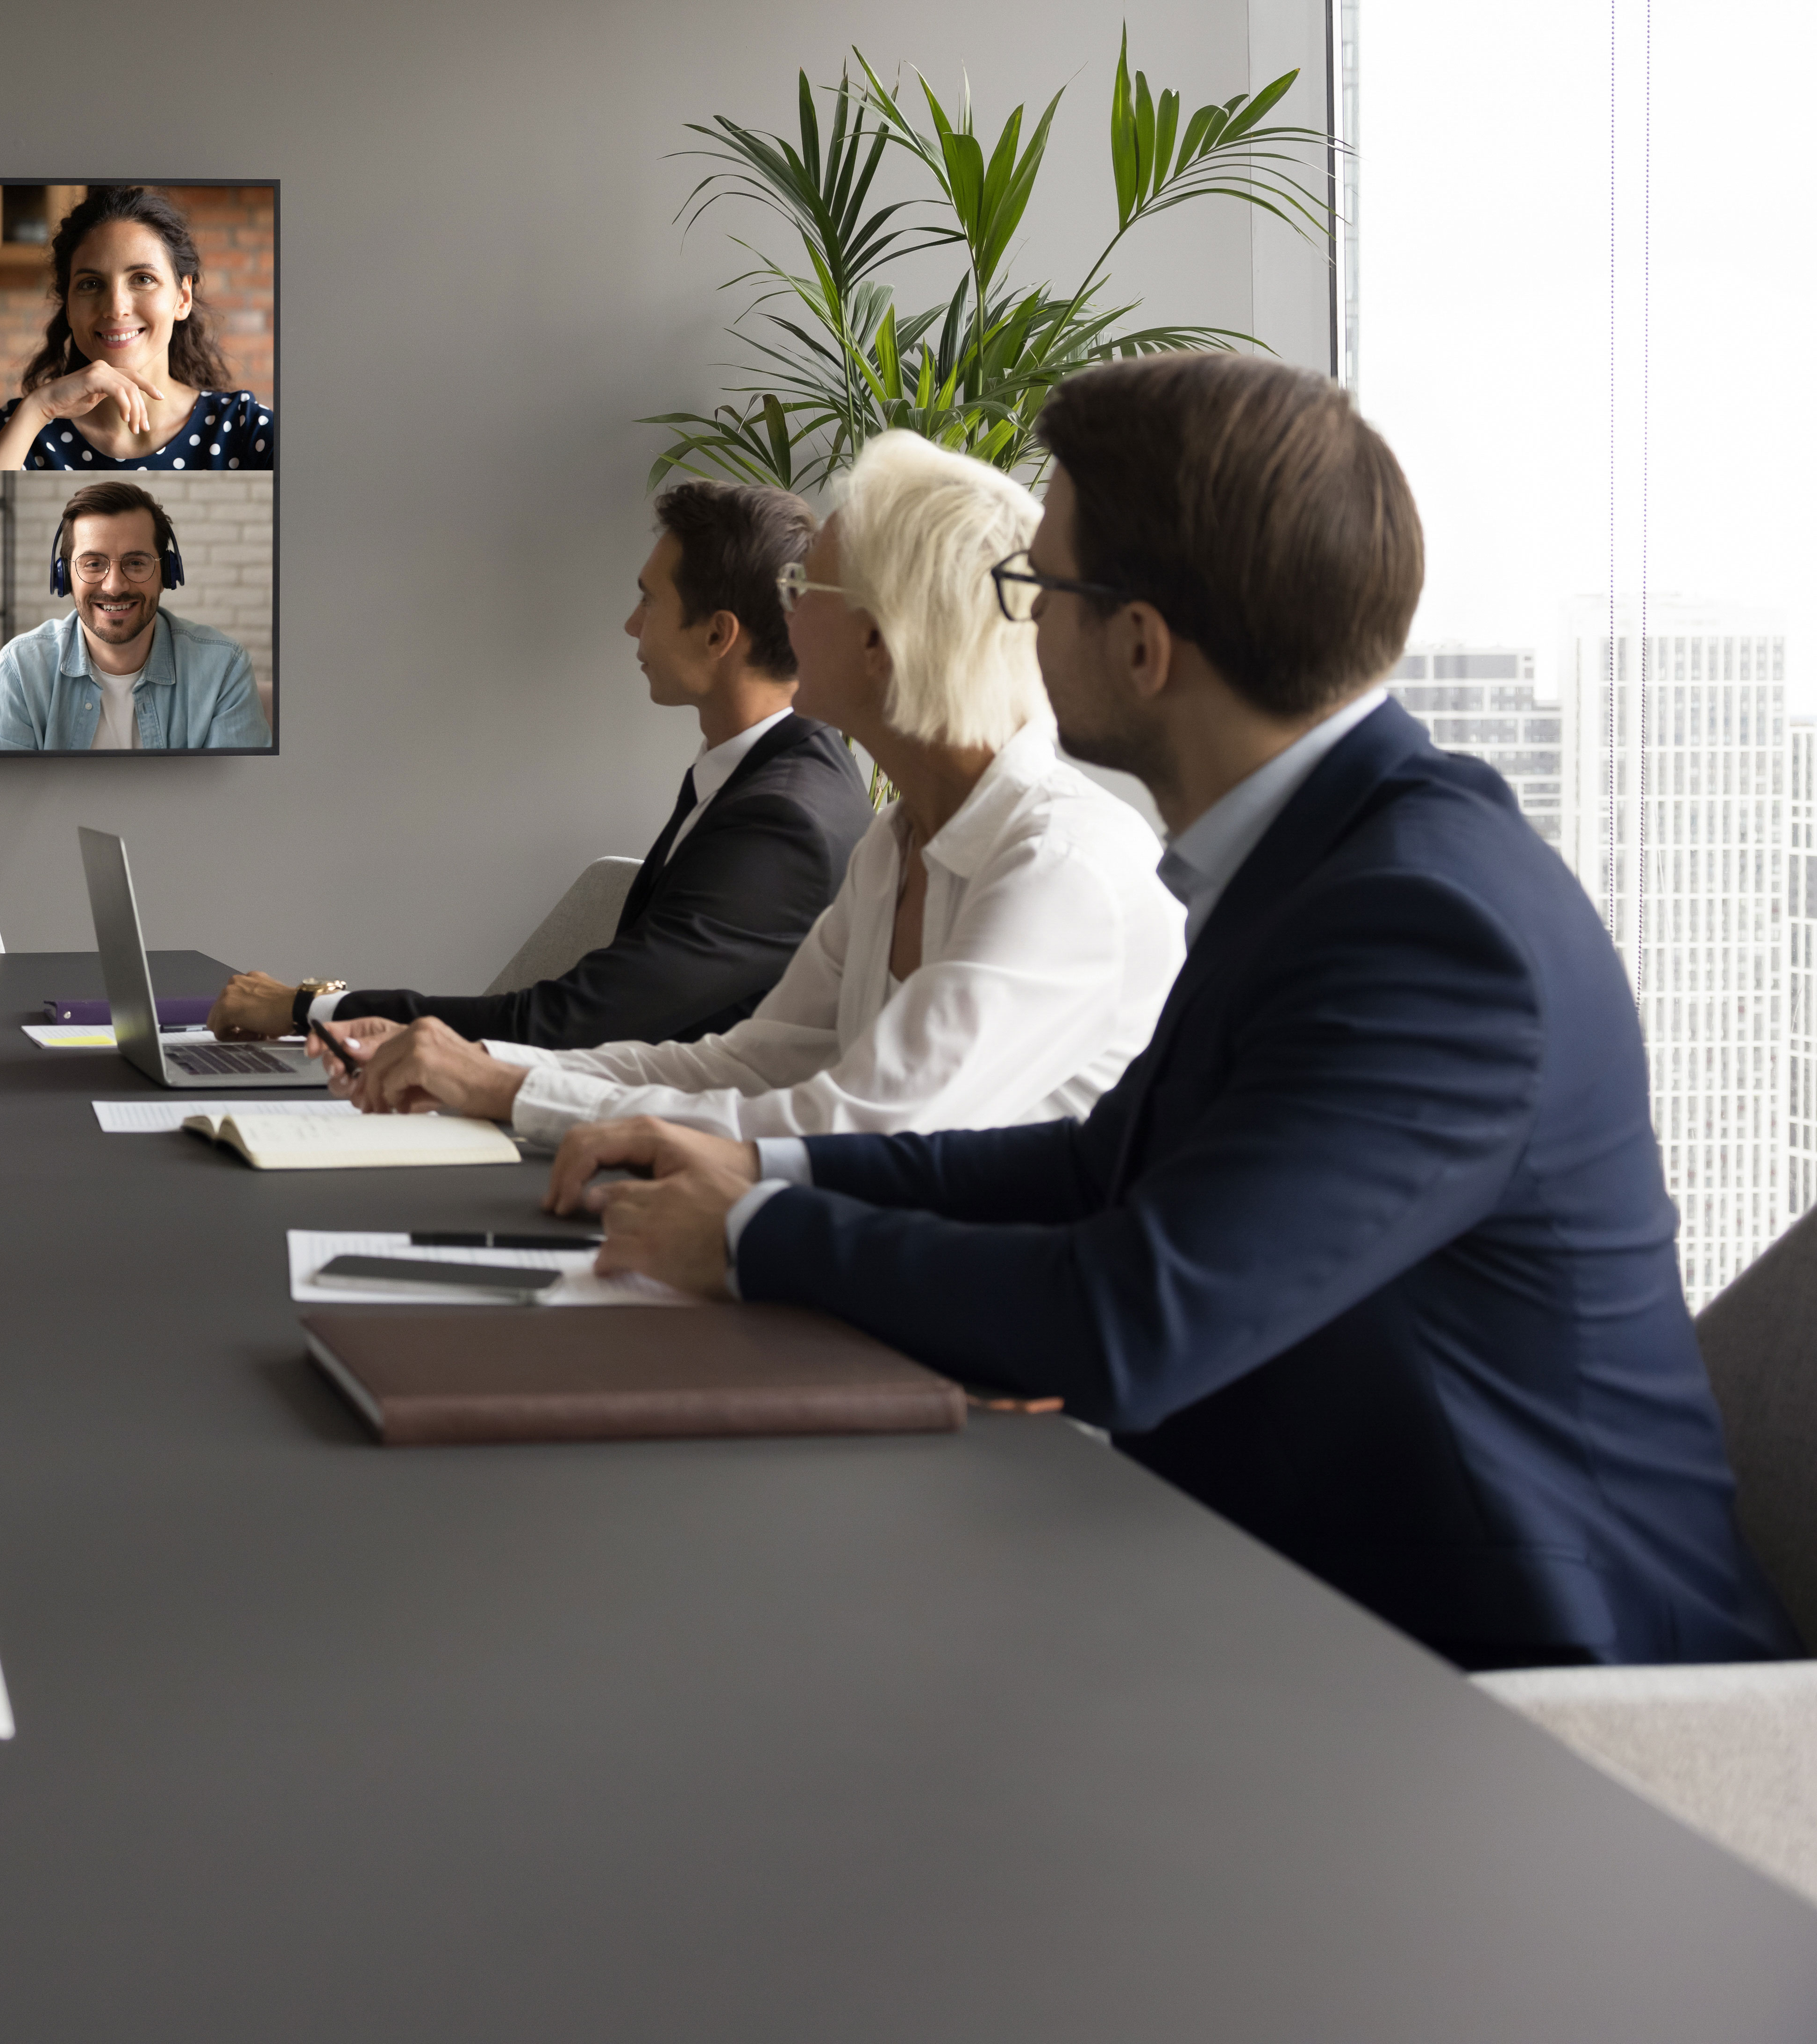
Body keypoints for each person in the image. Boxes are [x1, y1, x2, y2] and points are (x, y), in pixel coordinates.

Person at [558, 358, 1797, 1671]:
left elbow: (1130, 1320)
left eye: (1035, 588)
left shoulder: (1425, 925)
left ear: (1141, 647)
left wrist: (752, 1235)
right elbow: (1100, 1169)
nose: (1013, 626)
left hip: (1523, 1684)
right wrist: (763, 1167)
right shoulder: (1326, 854)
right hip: (1305, 1578)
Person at [319, 432, 1182, 1153]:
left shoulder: (1059, 867)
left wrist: (506, 1088)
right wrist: (480, 1066)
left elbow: (863, 1126)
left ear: (881, 641)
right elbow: (745, 1065)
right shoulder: (895, 845)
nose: (783, 616)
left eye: (804, 589)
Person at [213, 478, 869, 1050]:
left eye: (649, 600)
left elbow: (567, 1023)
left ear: (718, 634)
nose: (631, 625)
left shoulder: (782, 822)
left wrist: (308, 1008)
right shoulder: (758, 774)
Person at [0, 187, 274, 471]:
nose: (115, 308)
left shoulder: (247, 429)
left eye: (143, 279)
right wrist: (38, 409)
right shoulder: (24, 424)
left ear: (183, 298)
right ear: (69, 308)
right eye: (91, 284)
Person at [0, 480, 267, 751]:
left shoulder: (224, 669)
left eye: (136, 563)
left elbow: (239, 791)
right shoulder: (19, 671)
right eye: (93, 564)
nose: (114, 587)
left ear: (167, 573)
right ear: (64, 577)